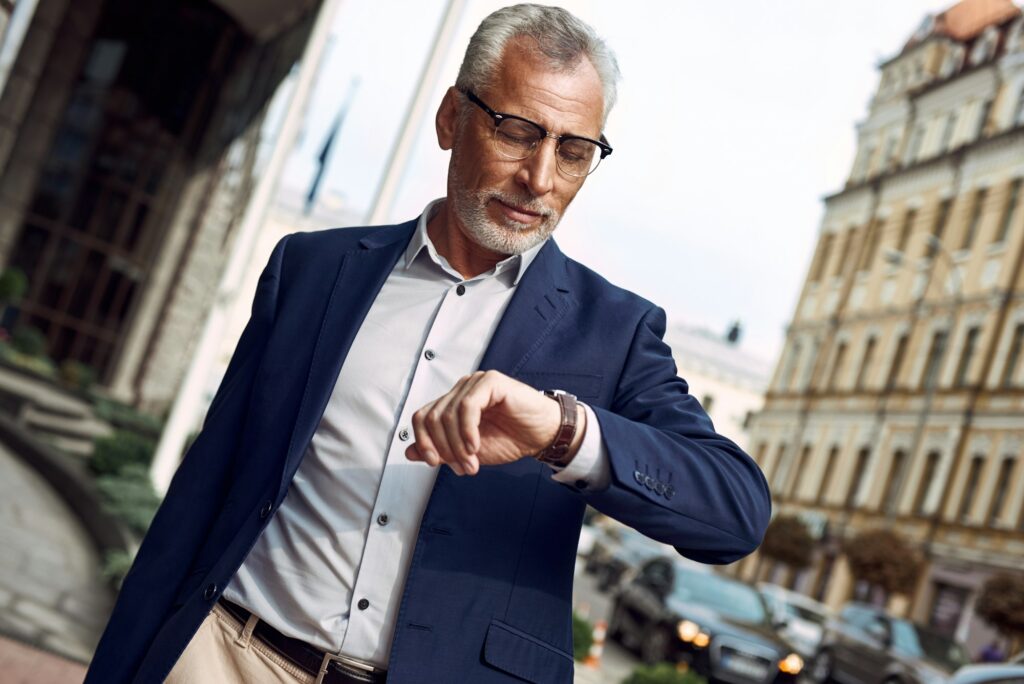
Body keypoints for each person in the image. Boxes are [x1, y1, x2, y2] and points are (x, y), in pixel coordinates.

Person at [86, 5, 771, 683]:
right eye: (516, 131)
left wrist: (562, 432)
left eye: (572, 150)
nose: (540, 177)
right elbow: (202, 492)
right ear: (451, 118)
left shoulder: (614, 333)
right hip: (228, 656)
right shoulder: (312, 270)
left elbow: (735, 512)